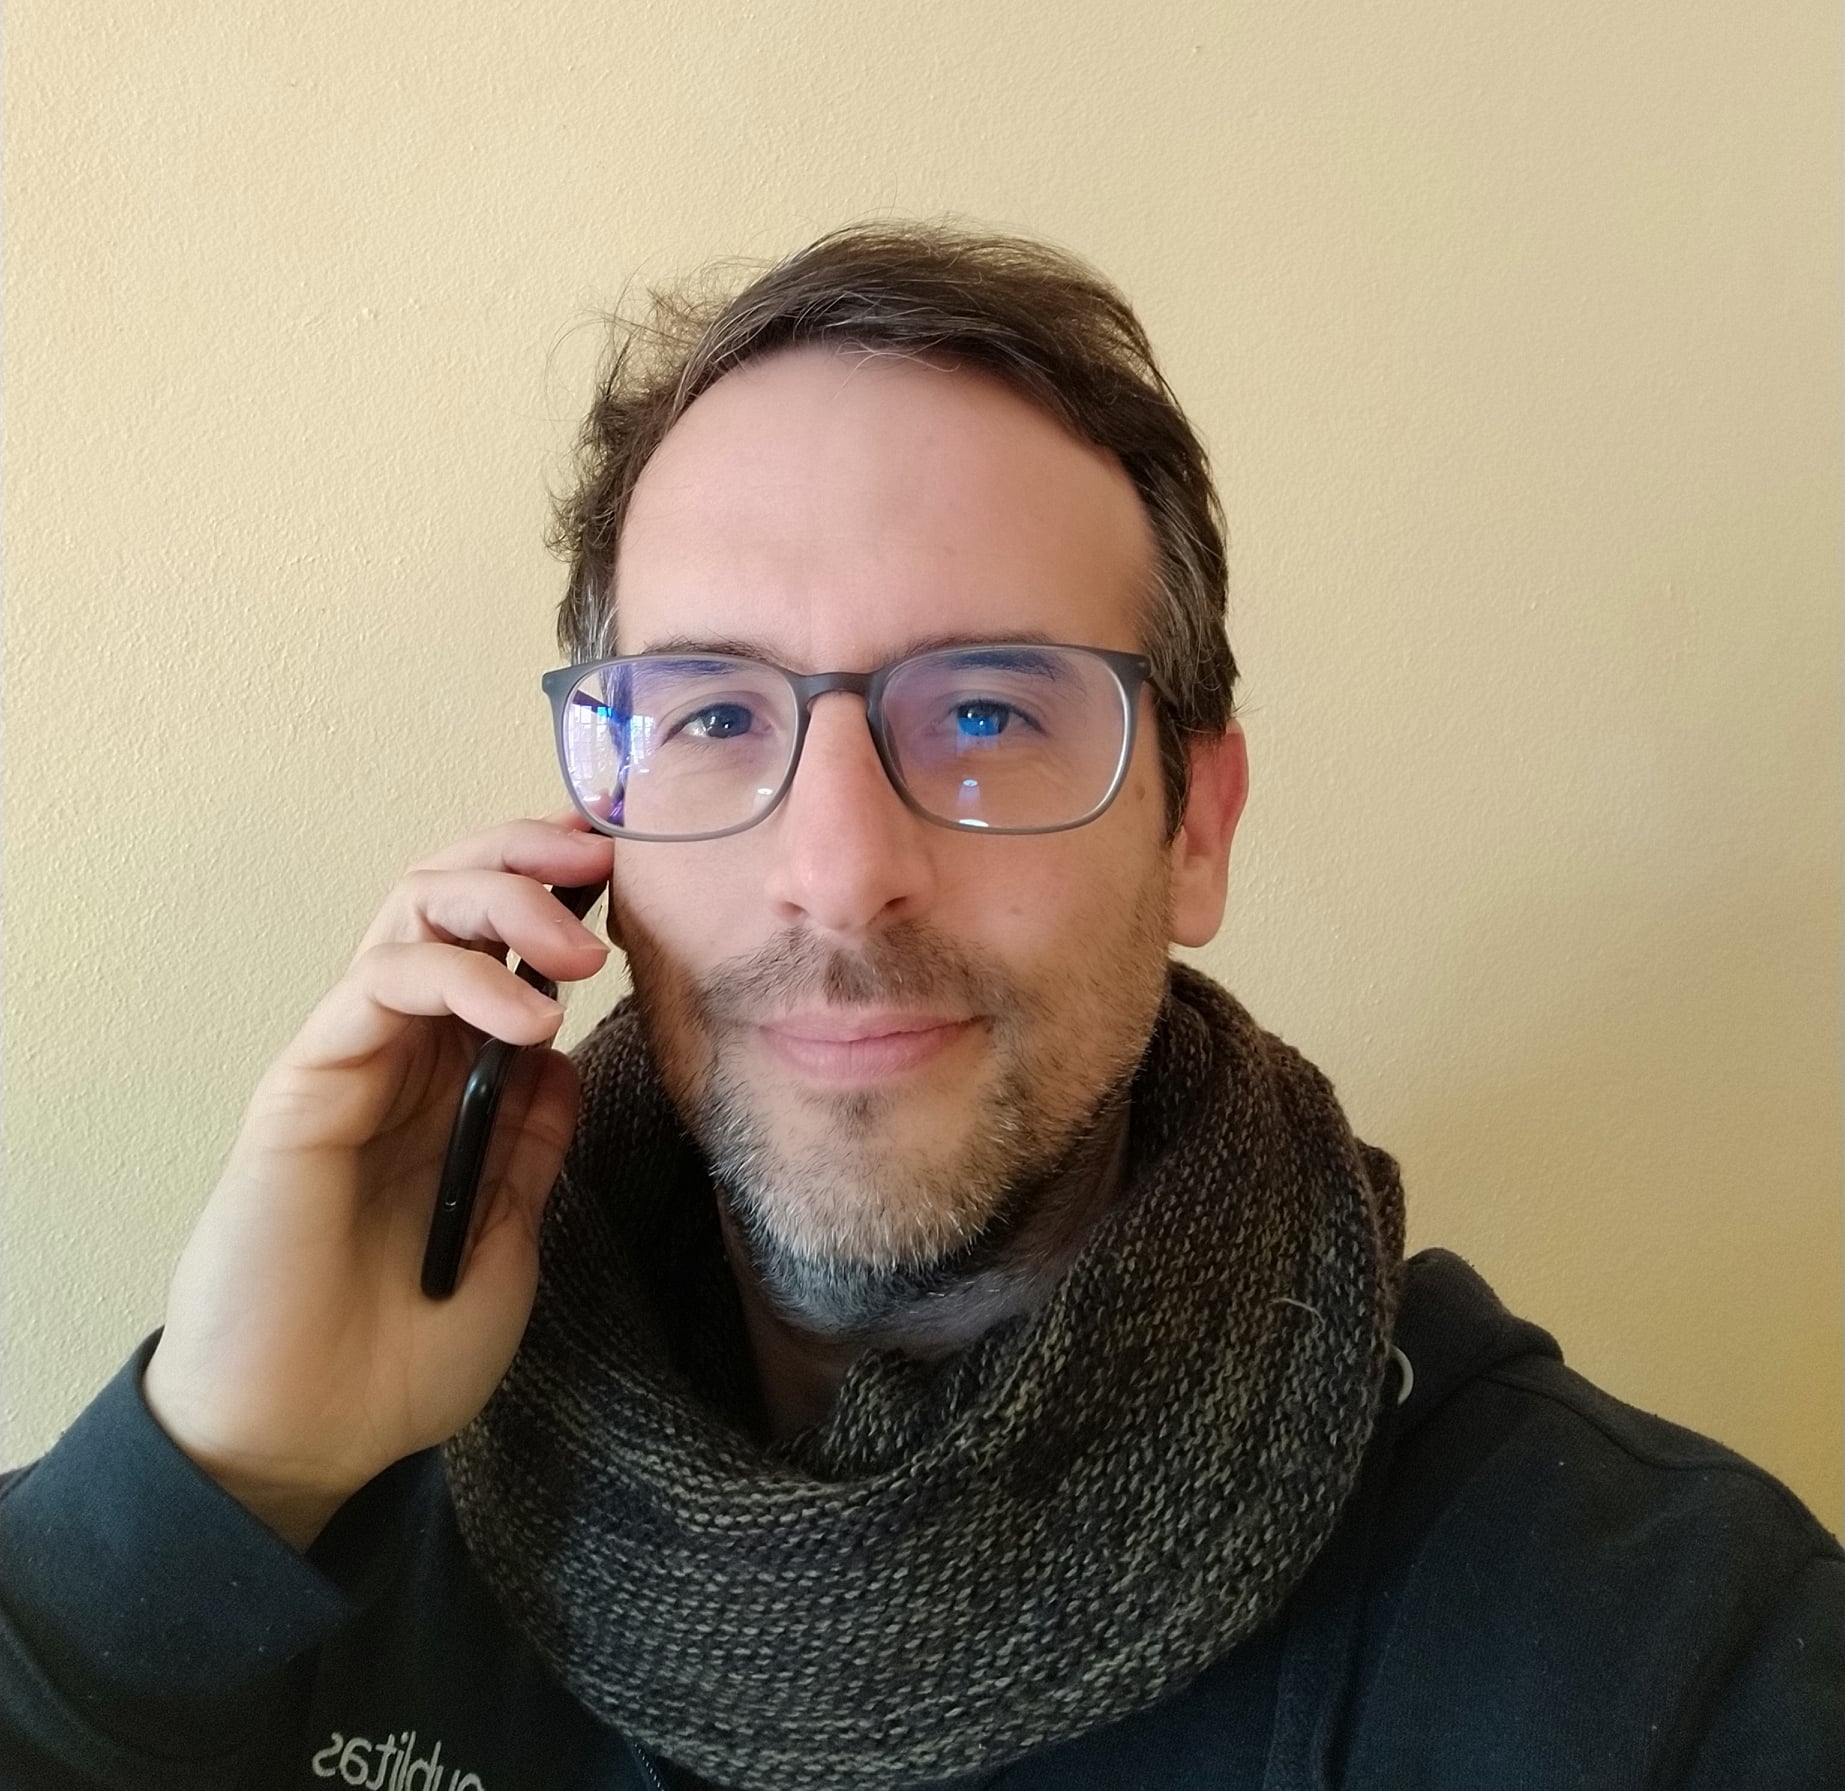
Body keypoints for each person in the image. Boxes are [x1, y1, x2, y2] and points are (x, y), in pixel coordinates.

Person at [1, 223, 1838, 1791]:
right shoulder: (317, 1497)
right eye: (714, 715)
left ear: (1193, 828)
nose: (835, 871)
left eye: (983, 712)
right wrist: (220, 1473)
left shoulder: (1647, 1644)